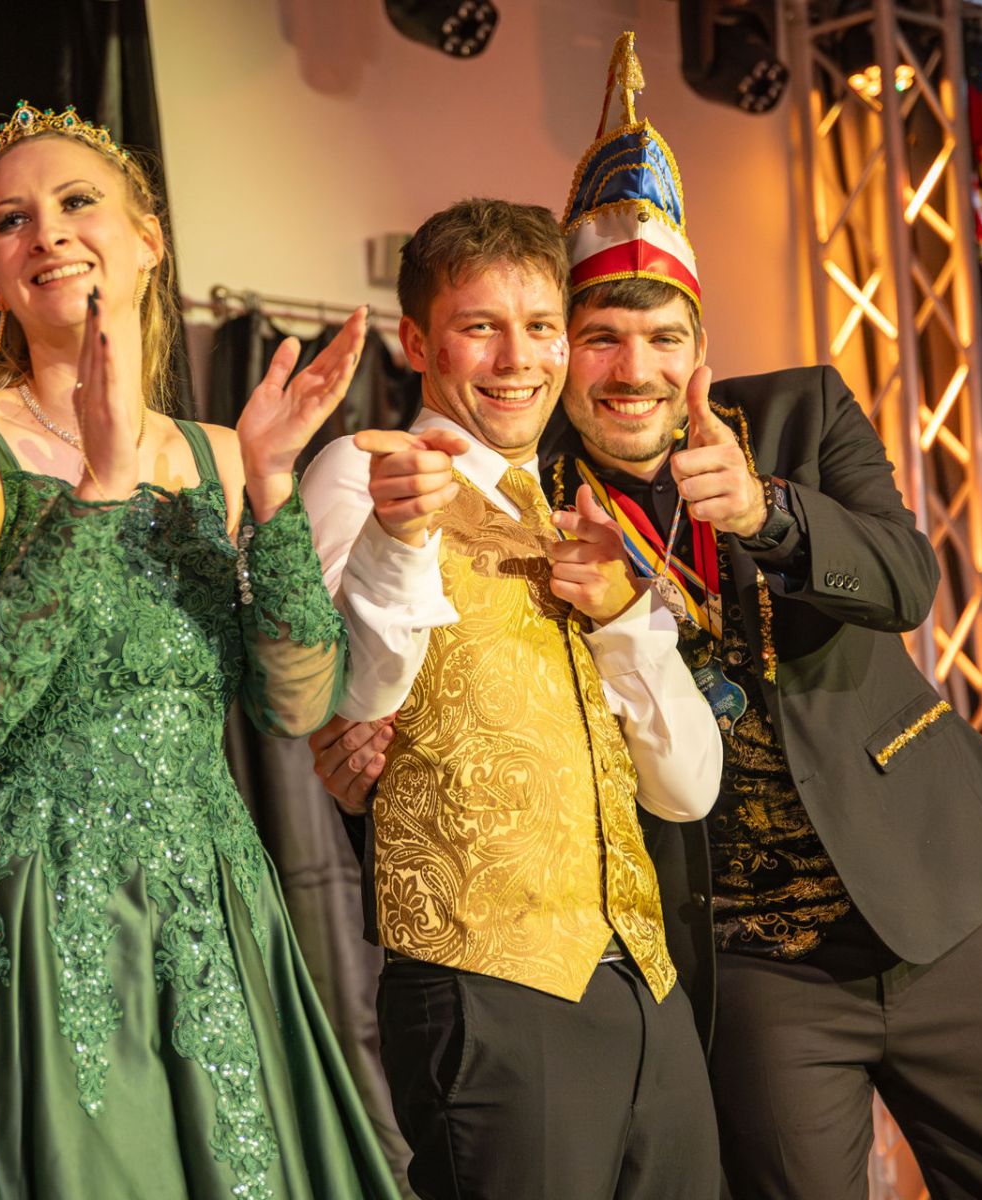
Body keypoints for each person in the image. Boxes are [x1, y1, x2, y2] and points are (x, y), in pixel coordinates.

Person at [316, 33, 982, 1200]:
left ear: (700, 351)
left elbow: (906, 581)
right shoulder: (521, 492)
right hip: (744, 951)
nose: (633, 370)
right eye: (598, 337)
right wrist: (356, 754)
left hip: (933, 896)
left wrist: (772, 513)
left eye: (664, 340)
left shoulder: (796, 419)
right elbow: (441, 697)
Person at [0, 102, 397, 1199]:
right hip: (36, 909)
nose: (47, 231)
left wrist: (273, 489)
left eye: (77, 202)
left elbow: (294, 704)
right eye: (12, 221)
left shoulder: (223, 454)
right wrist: (95, 491)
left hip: (211, 901)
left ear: (147, 241)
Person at [297, 127, 724, 1198]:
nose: (517, 359)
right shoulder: (364, 470)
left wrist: (625, 617)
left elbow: (686, 788)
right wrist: (403, 538)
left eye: (540, 327)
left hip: (646, 988)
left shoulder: (580, 516)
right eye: (480, 328)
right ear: (418, 342)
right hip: (486, 984)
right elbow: (353, 693)